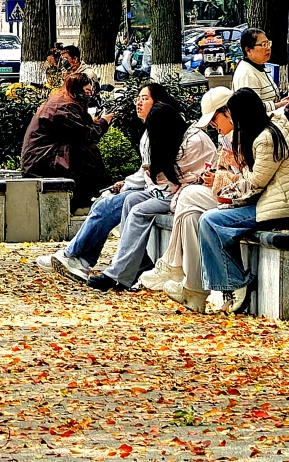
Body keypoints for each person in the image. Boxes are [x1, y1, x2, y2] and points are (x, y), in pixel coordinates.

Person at [35, 82, 171, 279]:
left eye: (145, 99)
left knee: (107, 205)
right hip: (150, 189)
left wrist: (127, 184)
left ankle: (74, 257)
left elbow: (151, 171)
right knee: (103, 203)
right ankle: (78, 258)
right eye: (138, 99)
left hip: (161, 192)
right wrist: (126, 183)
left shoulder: (161, 128)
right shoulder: (149, 130)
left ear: (159, 102)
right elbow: (146, 170)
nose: (139, 104)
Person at [81, 101, 216, 292]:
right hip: (166, 189)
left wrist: (153, 174)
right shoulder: (169, 137)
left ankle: (116, 274)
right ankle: (135, 266)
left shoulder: (194, 140)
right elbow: (159, 173)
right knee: (130, 200)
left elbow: (185, 175)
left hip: (187, 191)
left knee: (138, 210)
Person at [138, 87, 234, 312]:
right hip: (218, 194)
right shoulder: (228, 135)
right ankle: (195, 291)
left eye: (215, 120)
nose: (213, 126)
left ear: (228, 112)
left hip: (242, 200)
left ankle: (171, 263)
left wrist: (216, 178)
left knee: (187, 195)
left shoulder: (249, 136)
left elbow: (252, 179)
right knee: (190, 216)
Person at [198, 87, 289, 313]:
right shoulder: (263, 133)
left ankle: (234, 283)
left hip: (277, 207)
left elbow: (256, 181)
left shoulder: (267, 138)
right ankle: (230, 283)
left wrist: (229, 185)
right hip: (267, 202)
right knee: (209, 219)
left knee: (210, 221)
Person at [21, 72, 113, 212]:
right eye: (87, 91)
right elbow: (87, 135)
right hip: (41, 161)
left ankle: (91, 196)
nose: (90, 94)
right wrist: (103, 122)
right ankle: (86, 200)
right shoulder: (64, 107)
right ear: (77, 90)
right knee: (84, 151)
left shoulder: (64, 100)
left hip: (42, 156)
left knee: (83, 150)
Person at [231, 28, 289, 112]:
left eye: (268, 43)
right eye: (263, 44)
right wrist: (279, 105)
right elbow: (250, 108)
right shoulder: (247, 74)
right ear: (248, 50)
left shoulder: (259, 66)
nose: (268, 48)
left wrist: (283, 100)